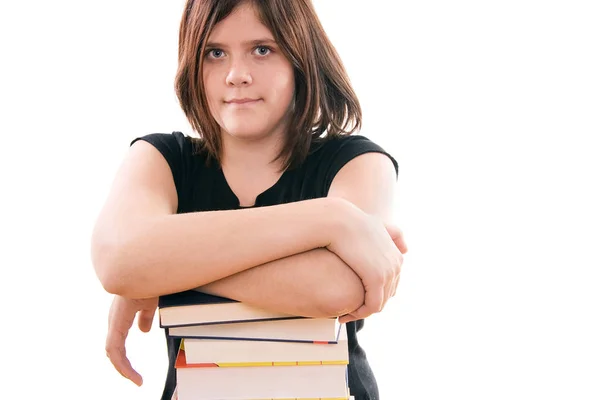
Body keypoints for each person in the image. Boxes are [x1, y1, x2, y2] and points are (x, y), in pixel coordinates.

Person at [91, 1, 408, 399]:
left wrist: (162, 273)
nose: (236, 75)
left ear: (300, 57)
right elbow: (118, 260)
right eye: (215, 53)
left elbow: (337, 287)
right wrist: (330, 219)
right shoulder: (160, 158)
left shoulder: (358, 160)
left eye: (262, 49)